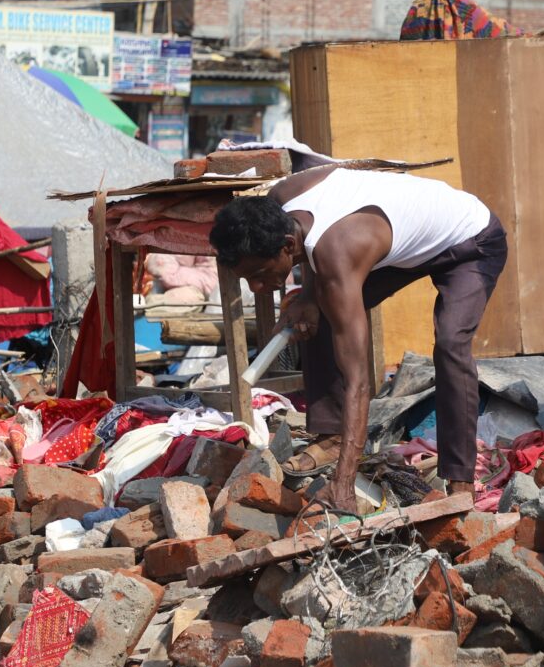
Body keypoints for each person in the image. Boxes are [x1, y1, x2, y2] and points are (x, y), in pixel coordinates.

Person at [210, 167, 507, 512]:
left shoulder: (338, 252)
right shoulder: (280, 201)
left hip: (472, 238)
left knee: (451, 345)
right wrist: (307, 297)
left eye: (260, 275)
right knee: (319, 308)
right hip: (404, 241)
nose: (257, 288)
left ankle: (460, 482)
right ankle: (334, 436)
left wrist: (344, 484)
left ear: (287, 246)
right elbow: (311, 250)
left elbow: (359, 382)